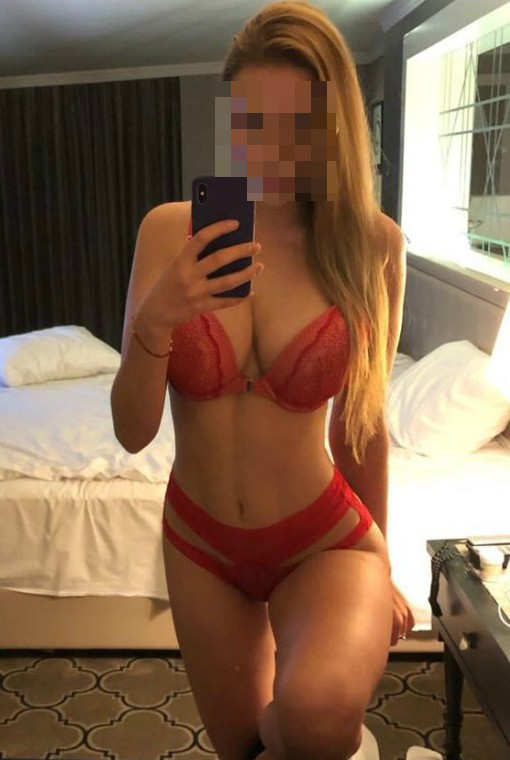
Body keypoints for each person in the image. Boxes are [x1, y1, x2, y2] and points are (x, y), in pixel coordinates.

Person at [111, 2, 415, 760]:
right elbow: (132, 431)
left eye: (295, 125)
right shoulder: (169, 231)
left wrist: (383, 569)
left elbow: (361, 424)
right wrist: (158, 320)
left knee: (313, 719)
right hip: (201, 542)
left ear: (335, 126)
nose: (267, 150)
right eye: (250, 122)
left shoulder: (372, 247)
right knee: (242, 750)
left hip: (323, 538)